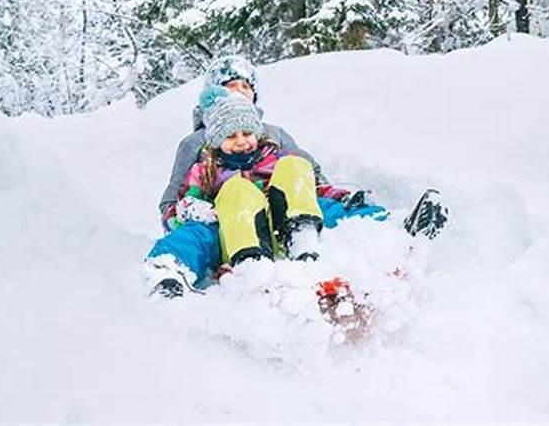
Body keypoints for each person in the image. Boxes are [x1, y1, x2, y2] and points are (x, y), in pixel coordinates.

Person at [144, 89, 388, 298]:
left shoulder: (274, 158)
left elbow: (314, 191)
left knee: (297, 168)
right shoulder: (205, 171)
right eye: (231, 136)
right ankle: (170, 268)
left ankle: (382, 231)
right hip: (237, 235)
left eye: (247, 133)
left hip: (287, 227)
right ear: (217, 140)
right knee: (209, 221)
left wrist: (343, 198)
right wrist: (198, 211)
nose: (241, 142)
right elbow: (183, 213)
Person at [158, 55, 327, 232]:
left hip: (279, 214)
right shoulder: (195, 142)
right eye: (231, 85)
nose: (240, 91)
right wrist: (178, 222)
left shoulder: (274, 134)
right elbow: (173, 195)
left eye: (246, 86)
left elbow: (307, 173)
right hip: (226, 223)